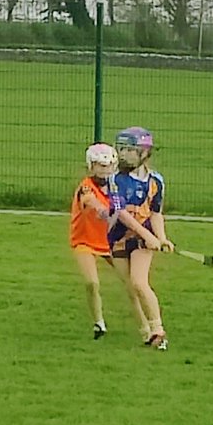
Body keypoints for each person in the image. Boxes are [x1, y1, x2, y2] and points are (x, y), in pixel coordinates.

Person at [109, 126, 172, 350]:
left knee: (139, 282)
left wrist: (161, 237)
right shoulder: (114, 179)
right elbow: (121, 213)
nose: (124, 154)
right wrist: (148, 234)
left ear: (144, 153)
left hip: (142, 240)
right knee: (130, 288)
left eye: (130, 150)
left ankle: (158, 330)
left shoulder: (156, 181)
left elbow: (156, 213)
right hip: (117, 237)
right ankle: (145, 332)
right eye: (122, 149)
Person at [70, 142, 122, 339]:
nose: (105, 170)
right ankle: (99, 323)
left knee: (133, 282)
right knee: (92, 282)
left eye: (109, 166)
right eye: (101, 166)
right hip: (84, 241)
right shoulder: (86, 187)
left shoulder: (117, 187)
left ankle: (149, 326)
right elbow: (91, 202)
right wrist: (103, 210)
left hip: (109, 242)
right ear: (91, 166)